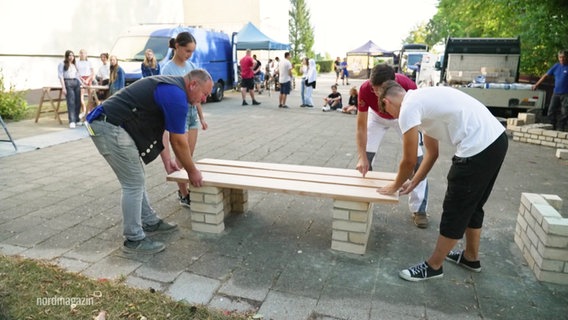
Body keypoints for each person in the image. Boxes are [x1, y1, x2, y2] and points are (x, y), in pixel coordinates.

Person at [376, 80, 508, 282]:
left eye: (388, 112)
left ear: (387, 101)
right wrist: (414, 182)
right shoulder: (423, 102)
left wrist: (394, 185)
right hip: (496, 141)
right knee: (472, 205)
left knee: (455, 207)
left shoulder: (409, 107)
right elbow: (432, 153)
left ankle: (434, 266)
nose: (393, 118)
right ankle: (470, 258)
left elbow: (409, 159)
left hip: (478, 147)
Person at [86, 69, 213, 254]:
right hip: (109, 125)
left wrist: (167, 160)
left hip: (112, 124)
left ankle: (149, 221)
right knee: (133, 182)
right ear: (193, 84)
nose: (204, 100)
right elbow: (178, 142)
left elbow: (161, 128)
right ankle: (134, 239)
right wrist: (192, 171)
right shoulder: (176, 95)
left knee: (136, 178)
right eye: (204, 94)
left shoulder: (174, 89)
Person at [356, 64, 430, 228]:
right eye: (373, 89)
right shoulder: (364, 88)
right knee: (365, 159)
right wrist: (361, 156)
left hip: (401, 117)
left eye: (379, 90)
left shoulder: (408, 86)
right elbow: (361, 126)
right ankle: (365, 200)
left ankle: (419, 209)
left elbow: (419, 116)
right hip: (376, 118)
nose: (375, 94)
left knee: (418, 161)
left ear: (393, 83)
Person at [161, 31, 208, 209]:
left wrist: (202, 117)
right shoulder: (168, 69)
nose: (189, 55)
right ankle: (184, 193)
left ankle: (185, 189)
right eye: (187, 51)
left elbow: (198, 94)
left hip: (192, 115)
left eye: (192, 52)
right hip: (178, 115)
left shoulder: (192, 66)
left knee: (189, 156)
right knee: (182, 155)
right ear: (177, 47)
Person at [532, 49, 568, 131]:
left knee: (565, 112)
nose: (562, 59)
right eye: (560, 57)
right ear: (558, 58)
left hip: (566, 94)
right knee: (551, 111)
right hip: (556, 93)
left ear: (567, 57)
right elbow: (545, 75)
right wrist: (536, 84)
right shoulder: (556, 66)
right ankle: (552, 126)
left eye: (563, 57)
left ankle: (561, 127)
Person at [58, 50, 82, 128]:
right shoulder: (62, 64)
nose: (71, 57)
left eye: (72, 55)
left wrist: (82, 82)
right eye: (69, 55)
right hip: (68, 82)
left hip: (76, 82)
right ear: (66, 56)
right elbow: (60, 76)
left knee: (78, 101)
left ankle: (77, 119)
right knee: (71, 102)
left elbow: (77, 75)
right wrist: (63, 87)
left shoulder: (75, 64)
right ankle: (72, 121)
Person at [76, 49, 94, 119]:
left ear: (86, 54)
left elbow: (92, 72)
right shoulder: (77, 63)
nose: (82, 54)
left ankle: (90, 111)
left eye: (83, 53)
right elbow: (76, 72)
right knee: (81, 96)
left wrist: (88, 79)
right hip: (81, 79)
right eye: (81, 53)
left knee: (90, 96)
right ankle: (84, 111)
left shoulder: (89, 62)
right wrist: (82, 79)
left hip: (88, 78)